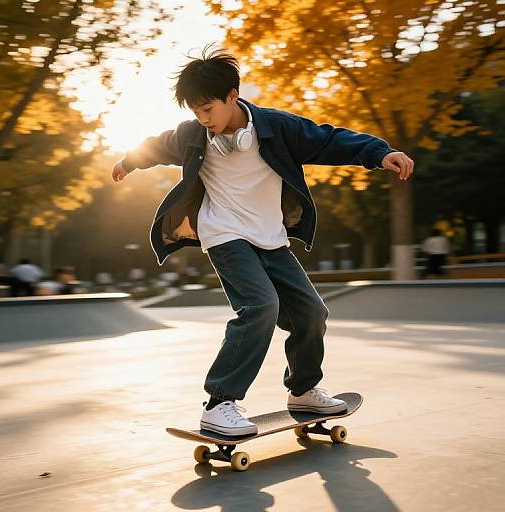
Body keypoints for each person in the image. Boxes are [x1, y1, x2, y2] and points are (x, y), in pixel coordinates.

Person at [111, 44, 414, 436]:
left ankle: (303, 389)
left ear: (232, 97)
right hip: (224, 235)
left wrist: (379, 153)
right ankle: (219, 402)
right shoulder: (192, 135)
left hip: (270, 238)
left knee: (311, 313)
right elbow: (156, 145)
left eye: (208, 110)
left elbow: (328, 140)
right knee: (261, 306)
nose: (203, 120)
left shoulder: (277, 128)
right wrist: (127, 161)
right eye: (195, 112)